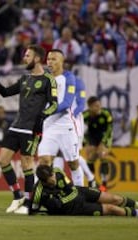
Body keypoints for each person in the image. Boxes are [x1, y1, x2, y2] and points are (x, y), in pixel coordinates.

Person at [0, 44, 58, 214]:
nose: (24, 58)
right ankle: (17, 195)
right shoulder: (25, 79)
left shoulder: (48, 80)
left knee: (27, 165)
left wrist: (42, 116)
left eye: (27, 55)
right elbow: (5, 92)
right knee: (3, 160)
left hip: (31, 129)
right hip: (16, 126)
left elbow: (54, 104)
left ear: (37, 58)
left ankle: (28, 204)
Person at [29, 165, 138, 217]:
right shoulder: (39, 192)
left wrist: (60, 201)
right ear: (43, 181)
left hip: (80, 192)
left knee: (116, 198)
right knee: (112, 209)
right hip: (75, 208)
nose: (53, 179)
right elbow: (34, 210)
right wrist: (50, 210)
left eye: (52, 175)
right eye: (50, 178)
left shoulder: (58, 172)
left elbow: (71, 190)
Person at [37, 49, 84, 187]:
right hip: (48, 127)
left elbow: (67, 103)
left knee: (73, 164)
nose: (50, 62)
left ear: (62, 62)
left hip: (66, 127)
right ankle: (48, 195)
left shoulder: (69, 78)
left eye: (54, 59)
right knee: (44, 163)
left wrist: (46, 112)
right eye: (48, 59)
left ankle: (81, 194)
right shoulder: (44, 78)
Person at [83, 96, 113, 192]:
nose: (98, 108)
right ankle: (91, 183)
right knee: (90, 158)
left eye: (99, 105)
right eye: (96, 106)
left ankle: (104, 185)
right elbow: (79, 129)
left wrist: (103, 143)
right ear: (90, 107)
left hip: (104, 137)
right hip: (91, 138)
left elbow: (109, 129)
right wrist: (85, 143)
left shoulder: (106, 114)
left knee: (102, 155)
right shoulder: (85, 116)